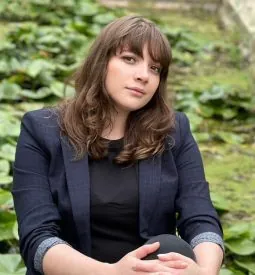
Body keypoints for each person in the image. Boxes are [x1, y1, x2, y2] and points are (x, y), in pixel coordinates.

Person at [12, 15, 224, 275]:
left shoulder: (174, 131)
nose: (143, 76)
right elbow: (38, 239)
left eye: (155, 68)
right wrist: (112, 272)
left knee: (172, 247)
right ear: (101, 62)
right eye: (130, 59)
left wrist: (203, 273)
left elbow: (201, 218)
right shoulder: (41, 130)